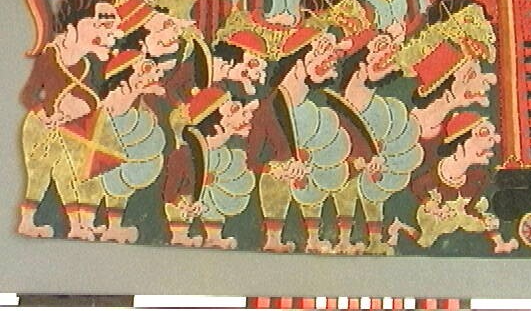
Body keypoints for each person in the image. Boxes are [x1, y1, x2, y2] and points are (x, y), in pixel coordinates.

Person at [18, 0, 122, 240]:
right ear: (73, 25)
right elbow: (28, 94)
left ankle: (77, 226)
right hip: (41, 128)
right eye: (96, 22)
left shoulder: (93, 61)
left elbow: (99, 92)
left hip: (74, 129)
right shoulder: (50, 55)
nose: (103, 30)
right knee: (39, 175)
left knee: (73, 177)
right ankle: (27, 222)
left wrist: (84, 106)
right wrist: (44, 114)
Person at [323, 23, 423, 255]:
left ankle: (375, 239)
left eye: (390, 54)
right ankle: (344, 238)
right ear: (360, 64)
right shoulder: (332, 106)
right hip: (339, 175)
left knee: (375, 194)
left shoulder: (385, 112)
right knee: (344, 190)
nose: (387, 59)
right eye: (379, 51)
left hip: (374, 178)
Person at [255, 26, 352, 253]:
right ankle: (273, 238)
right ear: (298, 64)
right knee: (273, 182)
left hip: (309, 180)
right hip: (279, 179)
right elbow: (253, 157)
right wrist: (276, 168)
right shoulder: (269, 109)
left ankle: (313, 237)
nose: (330, 61)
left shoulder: (318, 105)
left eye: (332, 55)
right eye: (321, 52)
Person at [163, 86, 258, 249]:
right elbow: (169, 193)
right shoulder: (184, 155)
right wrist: (184, 205)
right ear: (215, 125)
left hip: (207, 198)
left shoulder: (221, 155)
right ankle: (180, 235)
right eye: (233, 110)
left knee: (215, 199)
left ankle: (214, 237)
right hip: (183, 204)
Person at [409, 112, 518, 253]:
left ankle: (500, 244)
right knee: (424, 242)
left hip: (460, 216)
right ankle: (399, 227)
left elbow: (471, 207)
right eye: (482, 134)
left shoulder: (480, 177)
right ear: (459, 147)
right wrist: (430, 204)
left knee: (484, 221)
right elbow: (417, 186)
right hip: (437, 217)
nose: (495, 140)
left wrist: (483, 219)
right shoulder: (435, 174)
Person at [94, 49, 168, 244]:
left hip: (128, 147)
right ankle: (88, 222)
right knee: (103, 184)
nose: (151, 76)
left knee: (121, 187)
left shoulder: (138, 98)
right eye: (144, 70)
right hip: (106, 145)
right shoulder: (117, 95)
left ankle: (114, 226)